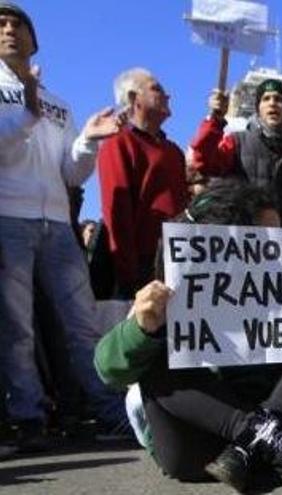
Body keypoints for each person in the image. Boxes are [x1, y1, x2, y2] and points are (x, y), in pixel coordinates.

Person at [94, 183, 282, 491]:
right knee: (157, 353)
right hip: (200, 452)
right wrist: (141, 329)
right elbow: (110, 370)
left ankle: (262, 442)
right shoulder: (172, 296)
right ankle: (261, 436)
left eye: (280, 237)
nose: (277, 248)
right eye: (264, 238)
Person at [0, 2, 127, 451]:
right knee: (17, 327)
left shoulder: (57, 103)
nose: (10, 29)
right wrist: (27, 112)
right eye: (1, 24)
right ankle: (28, 417)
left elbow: (71, 174)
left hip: (57, 224)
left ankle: (108, 411)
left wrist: (88, 142)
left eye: (18, 24)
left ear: (34, 39)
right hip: (7, 219)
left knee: (82, 324)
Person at [97, 68, 188, 298]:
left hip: (174, 259)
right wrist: (128, 270)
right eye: (156, 89)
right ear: (132, 99)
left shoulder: (174, 151)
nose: (167, 96)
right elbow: (116, 210)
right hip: (139, 265)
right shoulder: (118, 143)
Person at [190, 78, 282, 229]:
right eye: (266, 99)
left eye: (279, 99)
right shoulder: (237, 142)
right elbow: (205, 162)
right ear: (258, 109)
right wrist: (215, 120)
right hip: (246, 239)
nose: (272, 103)